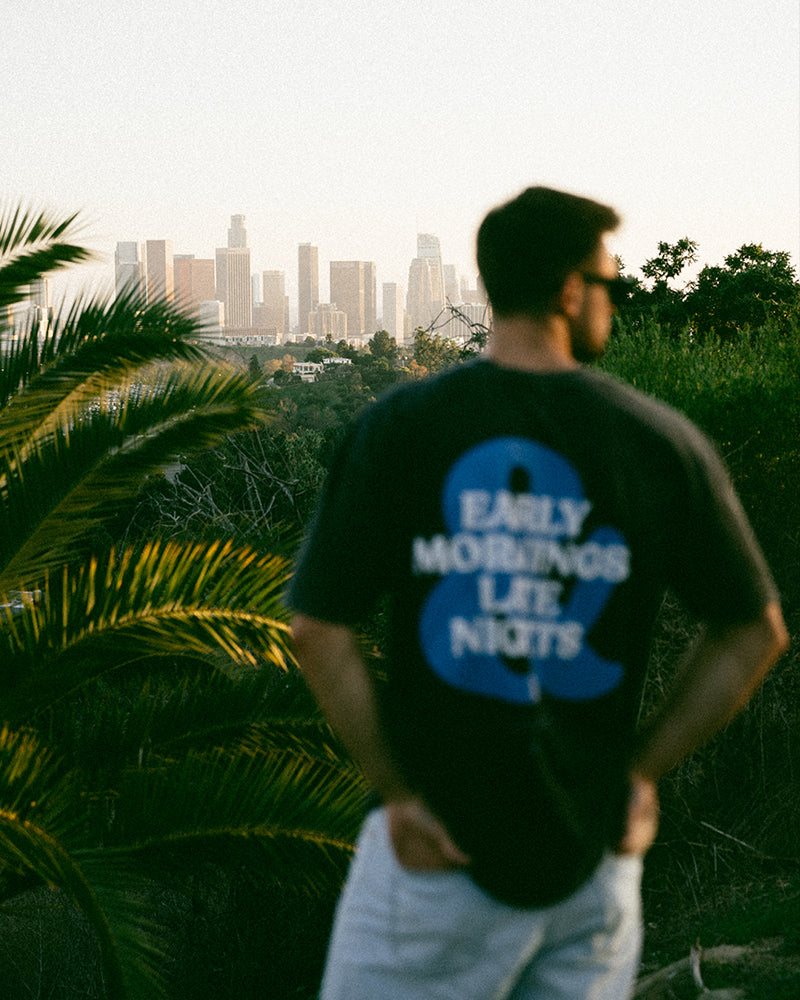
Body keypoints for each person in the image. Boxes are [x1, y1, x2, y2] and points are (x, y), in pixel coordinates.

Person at [289, 186, 788, 1000]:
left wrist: (400, 794)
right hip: (590, 863)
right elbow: (753, 630)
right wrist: (642, 773)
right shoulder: (659, 441)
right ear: (568, 291)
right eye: (612, 286)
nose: (614, 304)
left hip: (437, 854)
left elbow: (317, 631)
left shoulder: (401, 427)